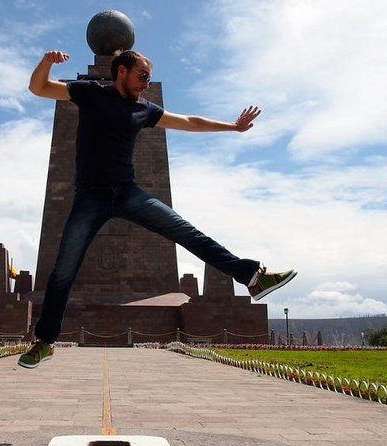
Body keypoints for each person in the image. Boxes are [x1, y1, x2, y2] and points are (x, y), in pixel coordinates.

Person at [18, 49, 297, 368]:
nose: (146, 85)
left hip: (127, 193)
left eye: (149, 78)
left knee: (188, 233)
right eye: (143, 76)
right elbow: (39, 88)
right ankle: (44, 342)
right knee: (63, 271)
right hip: (89, 198)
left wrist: (232, 127)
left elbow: (189, 122)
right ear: (122, 71)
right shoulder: (89, 93)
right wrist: (46, 62)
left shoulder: (142, 109)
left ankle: (252, 276)